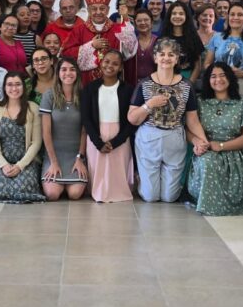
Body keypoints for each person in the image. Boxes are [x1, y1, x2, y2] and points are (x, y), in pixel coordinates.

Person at [128, 38, 209, 202]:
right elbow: (132, 118)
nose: (166, 58)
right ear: (155, 58)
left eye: (171, 54)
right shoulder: (144, 84)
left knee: (169, 197)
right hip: (149, 138)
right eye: (162, 54)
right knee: (150, 197)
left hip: (174, 138)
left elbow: (192, 120)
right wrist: (149, 105)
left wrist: (203, 141)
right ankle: (141, 179)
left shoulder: (186, 86)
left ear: (177, 59)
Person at [187, 62, 243, 216]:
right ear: (208, 80)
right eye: (213, 76)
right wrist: (197, 142)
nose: (218, 79)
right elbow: (188, 129)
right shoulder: (199, 102)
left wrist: (221, 146)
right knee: (208, 162)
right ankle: (209, 206)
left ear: (230, 78)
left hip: (236, 153)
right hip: (207, 150)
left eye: (222, 75)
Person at [82, 50, 136, 202]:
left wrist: (116, 141)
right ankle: (98, 193)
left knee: (117, 169)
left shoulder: (128, 89)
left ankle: (119, 193)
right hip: (96, 136)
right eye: (106, 61)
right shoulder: (90, 88)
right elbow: (86, 118)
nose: (110, 66)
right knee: (98, 169)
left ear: (121, 67)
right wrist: (98, 142)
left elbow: (132, 121)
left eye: (115, 63)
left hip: (120, 137)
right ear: (101, 63)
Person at [0, 72, 46, 203]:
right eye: (10, 85)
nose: (14, 88)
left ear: (24, 87)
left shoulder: (33, 108)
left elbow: (36, 142)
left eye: (18, 84)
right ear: (4, 88)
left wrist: (19, 166)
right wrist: (4, 165)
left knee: (24, 188)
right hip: (0, 161)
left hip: (26, 161)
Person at [62, 0, 136, 84]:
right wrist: (91, 46)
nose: (98, 12)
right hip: (86, 84)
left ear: (108, 10)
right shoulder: (79, 30)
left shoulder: (117, 29)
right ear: (88, 10)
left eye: (102, 8)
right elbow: (66, 54)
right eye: (94, 9)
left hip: (113, 84)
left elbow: (130, 49)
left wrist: (125, 17)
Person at [41, 57, 88, 201]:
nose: (68, 73)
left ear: (77, 73)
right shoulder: (49, 96)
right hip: (54, 155)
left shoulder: (83, 96)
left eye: (72, 69)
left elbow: (84, 131)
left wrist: (80, 158)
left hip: (75, 156)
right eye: (64, 69)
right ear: (58, 73)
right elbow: (46, 133)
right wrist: (53, 162)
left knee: (75, 194)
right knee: (52, 194)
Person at [204, 3, 243, 97]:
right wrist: (218, 73)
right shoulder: (216, 37)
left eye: (240, 15)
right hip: (217, 83)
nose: (235, 17)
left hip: (242, 85)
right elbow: (207, 64)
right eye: (232, 14)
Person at [160, 1, 204, 82]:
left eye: (181, 14)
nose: (177, 16)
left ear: (186, 16)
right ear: (169, 16)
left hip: (188, 79)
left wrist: (189, 84)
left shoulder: (194, 38)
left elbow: (198, 66)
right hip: (166, 79)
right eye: (174, 13)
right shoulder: (163, 38)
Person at [125, 9, 157, 86]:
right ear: (135, 24)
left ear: (152, 22)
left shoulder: (159, 42)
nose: (143, 23)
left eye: (146, 20)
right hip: (133, 85)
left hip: (154, 85)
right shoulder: (131, 43)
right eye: (139, 21)